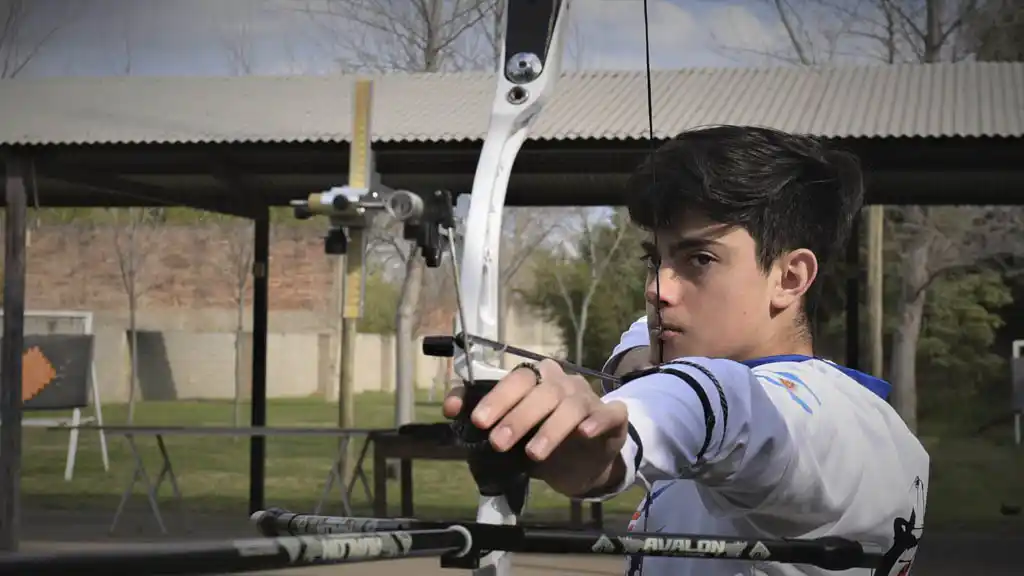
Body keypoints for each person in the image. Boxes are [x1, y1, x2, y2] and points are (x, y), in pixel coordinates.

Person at [442, 125, 929, 576]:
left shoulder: (831, 427)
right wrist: (635, 366)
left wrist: (620, 439)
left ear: (790, 278)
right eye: (655, 259)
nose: (658, 289)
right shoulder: (766, 390)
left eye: (700, 259)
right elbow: (666, 359)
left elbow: (724, 404)